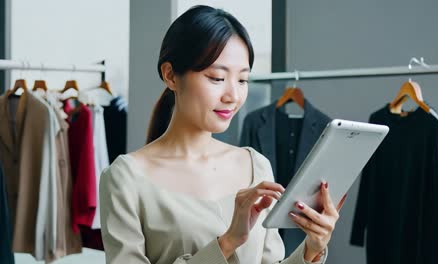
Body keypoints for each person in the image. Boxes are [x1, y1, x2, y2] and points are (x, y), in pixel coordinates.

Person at [100, 5, 343, 264]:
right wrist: (227, 243)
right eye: (216, 78)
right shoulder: (125, 179)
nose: (233, 96)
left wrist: (312, 248)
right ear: (170, 75)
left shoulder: (256, 166)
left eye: (242, 80)